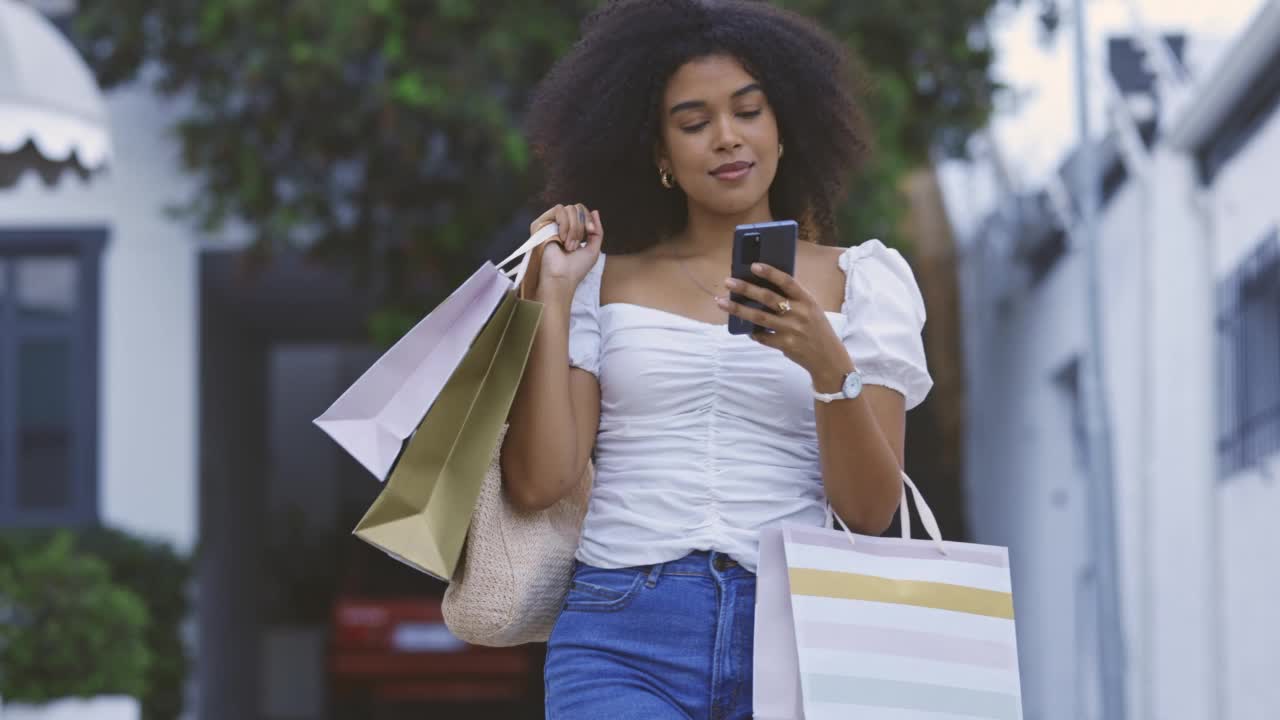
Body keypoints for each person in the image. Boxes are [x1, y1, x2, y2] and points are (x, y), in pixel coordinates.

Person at [502, 1, 933, 717]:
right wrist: (550, 297)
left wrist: (828, 366)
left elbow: (869, 511)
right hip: (621, 631)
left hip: (796, 633)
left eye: (749, 112)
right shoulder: (601, 281)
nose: (727, 139)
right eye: (694, 123)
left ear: (784, 125)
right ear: (661, 156)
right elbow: (540, 481)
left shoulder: (866, 281)